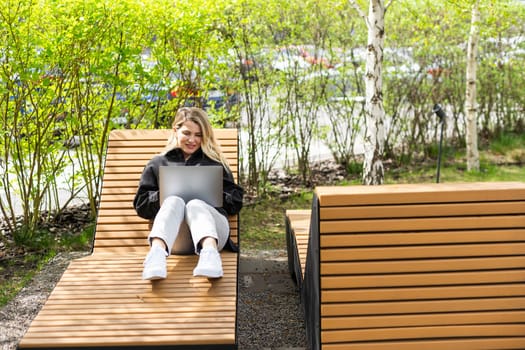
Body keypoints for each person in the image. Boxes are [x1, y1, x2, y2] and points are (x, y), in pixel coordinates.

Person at [133, 107, 243, 280]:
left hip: (214, 235)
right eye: (187, 133)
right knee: (173, 201)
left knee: (195, 204)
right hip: (176, 238)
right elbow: (141, 206)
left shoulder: (215, 163)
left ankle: (210, 256)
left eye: (198, 135)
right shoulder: (157, 164)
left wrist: (211, 193)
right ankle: (156, 257)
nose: (192, 140)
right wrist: (164, 195)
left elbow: (236, 203)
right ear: (175, 130)